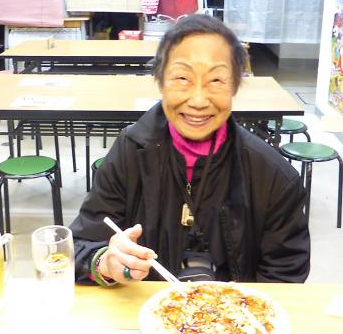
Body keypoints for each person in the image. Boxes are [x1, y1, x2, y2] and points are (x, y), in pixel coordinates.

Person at [70, 14, 310, 286]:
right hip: (146, 311)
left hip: (236, 320)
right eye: (182, 77)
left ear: (235, 87)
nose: (198, 100)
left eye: (216, 81)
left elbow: (285, 273)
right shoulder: (130, 153)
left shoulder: (272, 176)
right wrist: (107, 263)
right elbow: (79, 244)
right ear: (160, 82)